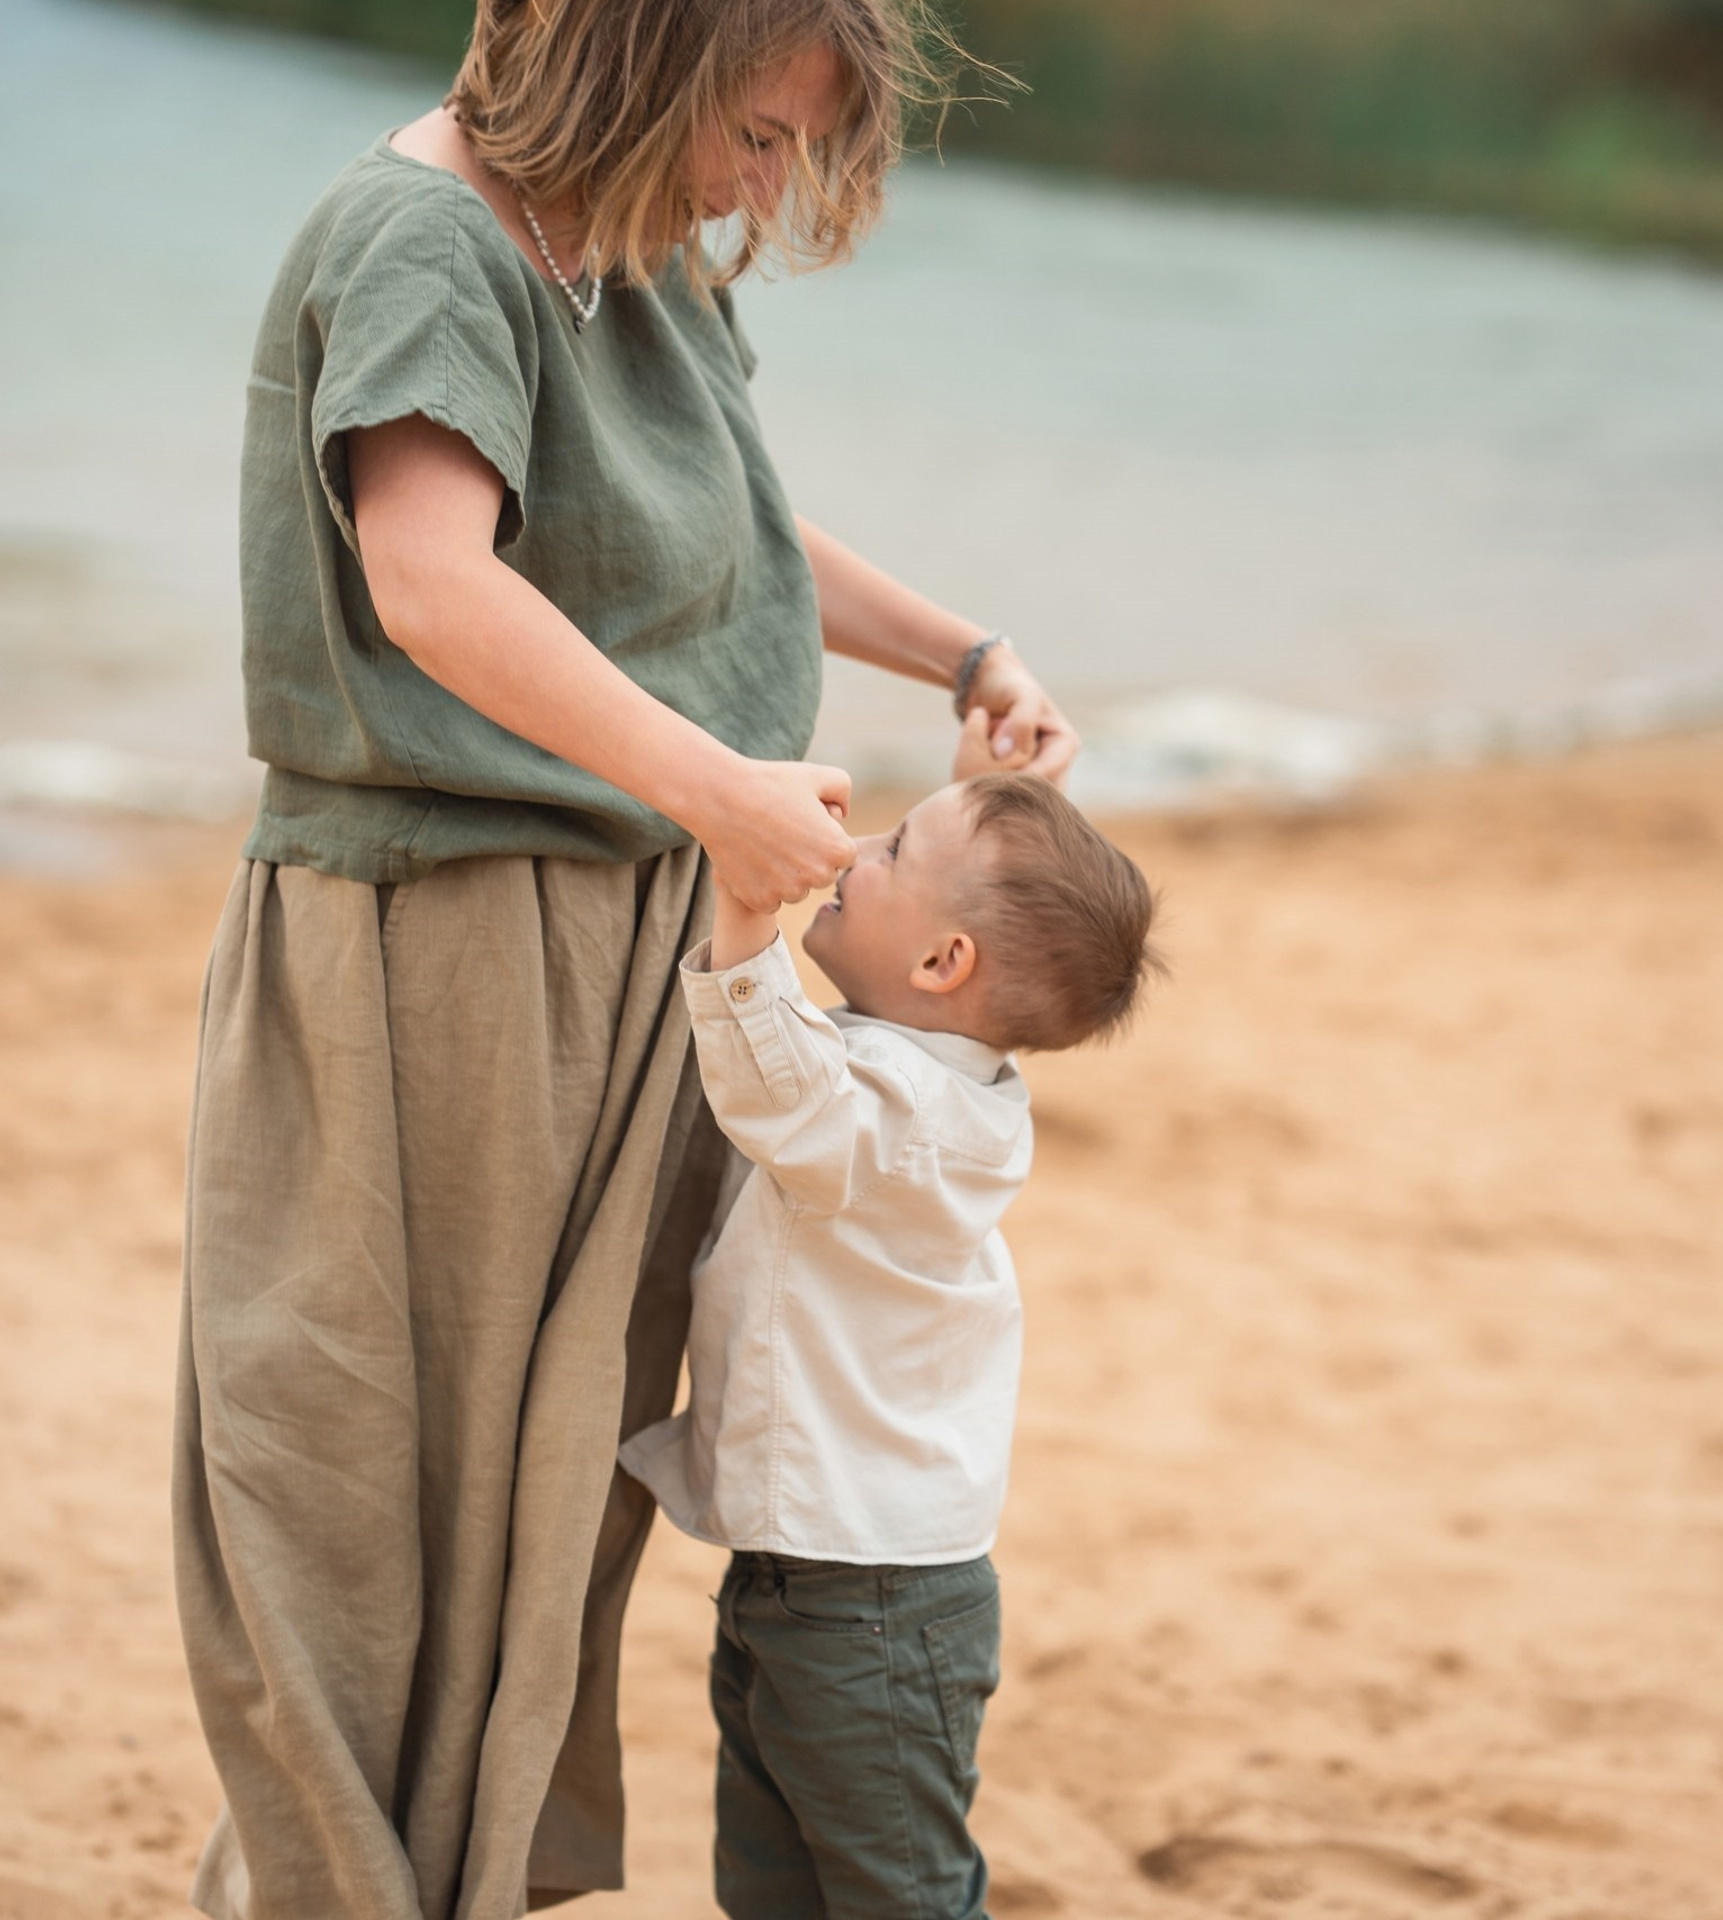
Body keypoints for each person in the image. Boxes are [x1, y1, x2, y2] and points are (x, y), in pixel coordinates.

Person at [170, 3, 1080, 1916]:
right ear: (643, 63)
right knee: (371, 1488)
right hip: (448, 938)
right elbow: (430, 582)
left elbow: (734, 527)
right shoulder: (429, 243)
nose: (765, 186)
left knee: (546, 1492)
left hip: (630, 933)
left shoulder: (624, 246)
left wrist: (964, 653)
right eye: (752, 133)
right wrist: (723, 794)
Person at [618, 741, 1162, 1920]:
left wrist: (745, 892)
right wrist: (971, 812)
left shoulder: (916, 1119)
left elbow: (785, 1090)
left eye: (893, 848)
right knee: (772, 1881)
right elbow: (817, 1071)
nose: (854, 854)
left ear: (941, 959)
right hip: (799, 1580)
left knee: (897, 1893)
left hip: (874, 1606)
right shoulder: (909, 1076)